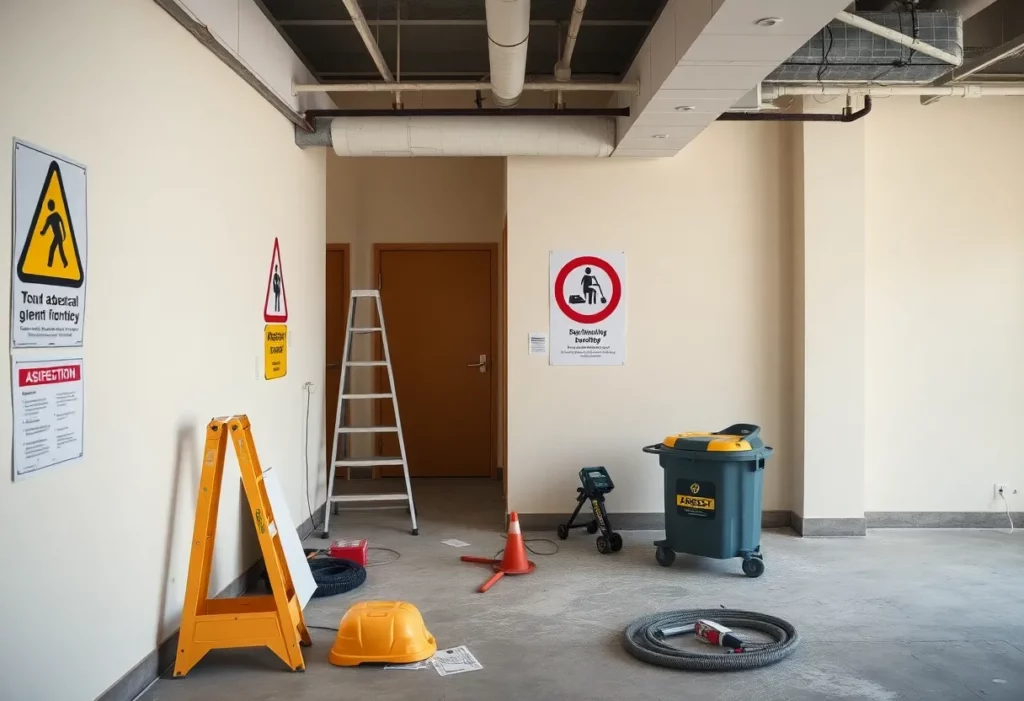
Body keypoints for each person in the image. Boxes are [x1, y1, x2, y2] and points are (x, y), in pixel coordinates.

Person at [40, 199, 69, 269]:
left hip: (58, 236)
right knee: (58, 249)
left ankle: (50, 264)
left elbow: (46, 228)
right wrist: (64, 235)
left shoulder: (51, 217)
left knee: (54, 249)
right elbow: (46, 228)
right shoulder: (55, 215)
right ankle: (64, 263)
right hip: (58, 235)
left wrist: (42, 232)